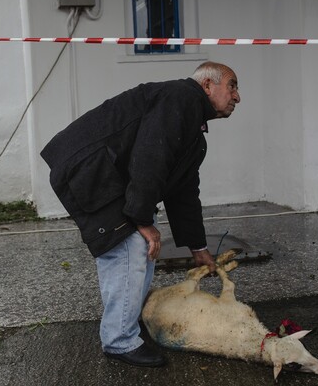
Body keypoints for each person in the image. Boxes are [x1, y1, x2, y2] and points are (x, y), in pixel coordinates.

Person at [40, 61, 241, 367]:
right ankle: (119, 341)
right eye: (232, 85)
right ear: (207, 86)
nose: (237, 96)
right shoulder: (181, 98)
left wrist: (197, 248)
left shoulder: (192, 128)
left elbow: (183, 191)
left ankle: (125, 326)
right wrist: (142, 221)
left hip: (101, 169)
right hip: (89, 167)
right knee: (131, 245)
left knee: (142, 246)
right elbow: (151, 156)